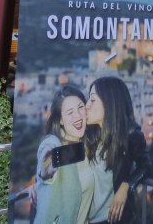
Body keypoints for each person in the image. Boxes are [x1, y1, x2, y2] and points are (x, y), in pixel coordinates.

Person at [84, 77, 148, 224]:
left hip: (112, 219)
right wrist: (39, 182)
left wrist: (126, 186)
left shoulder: (131, 136)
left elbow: (146, 165)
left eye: (92, 100)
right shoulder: (87, 135)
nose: (87, 105)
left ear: (109, 102)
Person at [33, 85, 94, 224]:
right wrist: (45, 169)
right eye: (70, 112)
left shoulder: (87, 145)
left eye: (80, 107)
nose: (77, 116)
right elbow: (46, 166)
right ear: (60, 120)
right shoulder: (54, 143)